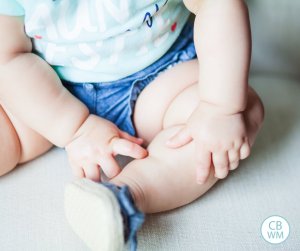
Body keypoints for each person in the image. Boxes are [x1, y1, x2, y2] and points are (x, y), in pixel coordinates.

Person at [0, 0, 264, 250]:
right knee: (8, 127)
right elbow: (8, 57)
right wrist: (74, 128)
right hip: (51, 94)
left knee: (239, 111)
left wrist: (219, 108)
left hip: (162, 79)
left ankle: (126, 195)